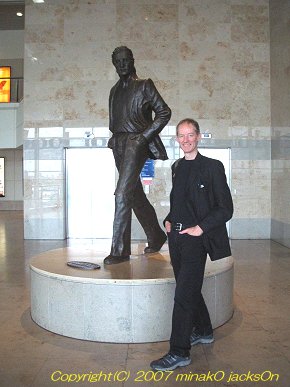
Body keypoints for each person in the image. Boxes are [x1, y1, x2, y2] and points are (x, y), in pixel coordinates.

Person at [150, 118, 233, 371]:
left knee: (183, 295)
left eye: (190, 135)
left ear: (197, 137)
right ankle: (205, 330)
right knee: (190, 288)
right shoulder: (176, 167)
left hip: (196, 240)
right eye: (181, 136)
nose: (185, 140)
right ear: (177, 139)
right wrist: (168, 219)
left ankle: (179, 351)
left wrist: (201, 228)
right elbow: (180, 202)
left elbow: (225, 208)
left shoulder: (212, 167)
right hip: (175, 239)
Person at [104, 46, 171, 265]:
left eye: (125, 60)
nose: (122, 64)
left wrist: (144, 137)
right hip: (119, 143)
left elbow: (164, 112)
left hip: (136, 142)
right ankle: (156, 235)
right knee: (135, 195)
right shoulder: (114, 90)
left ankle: (120, 250)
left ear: (132, 61)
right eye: (118, 61)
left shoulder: (144, 85)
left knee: (122, 193)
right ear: (114, 64)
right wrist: (115, 139)